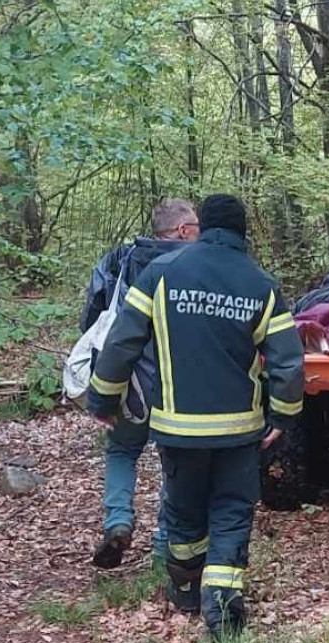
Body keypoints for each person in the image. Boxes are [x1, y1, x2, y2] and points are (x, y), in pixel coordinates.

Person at [87, 194, 305, 637]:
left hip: (178, 430)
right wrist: (283, 417)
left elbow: (123, 341)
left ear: (201, 227)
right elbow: (287, 361)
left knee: (184, 514)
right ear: (244, 232)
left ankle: (186, 591)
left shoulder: (161, 274)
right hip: (238, 432)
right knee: (231, 510)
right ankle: (223, 603)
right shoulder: (260, 284)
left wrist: (103, 400)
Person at [85, 198, 201, 569]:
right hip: (175, 380)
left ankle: (118, 522)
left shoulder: (120, 259)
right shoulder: (194, 265)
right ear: (183, 230)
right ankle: (164, 543)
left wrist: (102, 384)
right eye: (196, 226)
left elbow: (94, 316)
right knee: (174, 460)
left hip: (127, 378)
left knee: (122, 451)